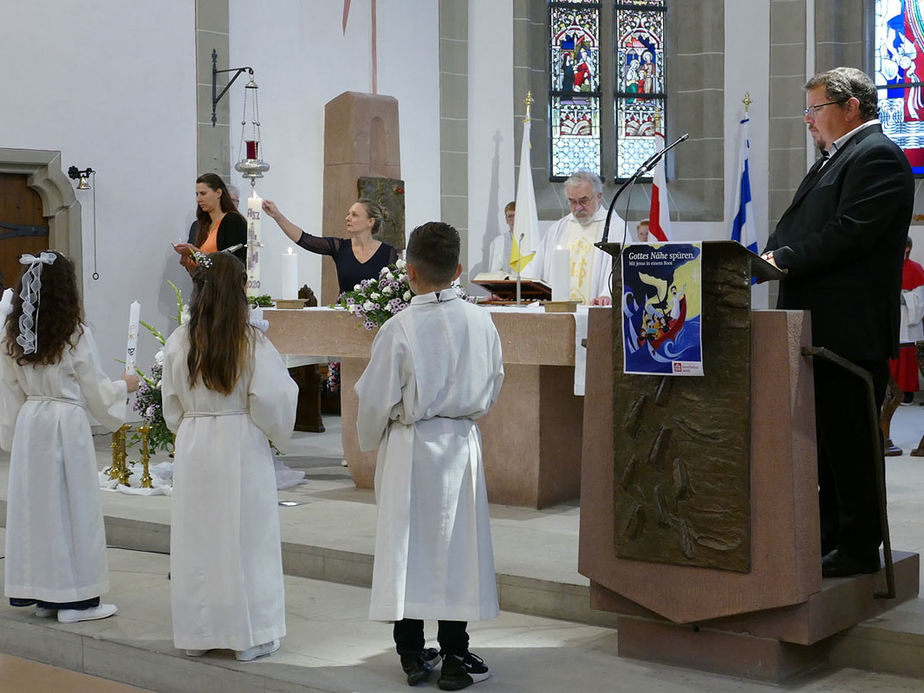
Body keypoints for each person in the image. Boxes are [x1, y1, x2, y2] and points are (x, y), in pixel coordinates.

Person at [760, 67, 914, 577]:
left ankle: (856, 547)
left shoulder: (878, 157)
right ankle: (828, 536)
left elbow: (850, 233)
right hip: (814, 326)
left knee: (850, 444)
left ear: (850, 107)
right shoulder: (838, 157)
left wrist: (782, 258)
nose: (808, 120)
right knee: (822, 444)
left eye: (815, 108)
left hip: (846, 329)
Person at [355, 222, 504, 690]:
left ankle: (413, 656)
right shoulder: (482, 321)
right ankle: (456, 657)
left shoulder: (398, 327)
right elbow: (494, 382)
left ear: (408, 271)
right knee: (457, 550)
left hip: (410, 444)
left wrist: (370, 437)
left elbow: (375, 399)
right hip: (460, 444)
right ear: (459, 270)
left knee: (408, 547)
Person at [162, 252, 298, 661]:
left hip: (195, 439)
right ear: (238, 291)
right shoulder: (250, 340)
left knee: (198, 538)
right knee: (246, 538)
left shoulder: (179, 340)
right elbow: (273, 399)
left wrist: (190, 427)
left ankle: (198, 632)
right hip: (239, 441)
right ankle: (250, 635)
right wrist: (273, 432)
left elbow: (171, 405)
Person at [0, 251, 139, 623]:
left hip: (32, 423)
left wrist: (15, 433)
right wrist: (123, 387)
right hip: (65, 423)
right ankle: (77, 602)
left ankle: (46, 596)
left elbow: (9, 389)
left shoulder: (13, 335)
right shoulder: (75, 334)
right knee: (73, 509)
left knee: (40, 511)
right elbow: (94, 389)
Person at [262, 198, 399, 295]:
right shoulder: (340, 247)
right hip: (342, 317)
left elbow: (394, 291)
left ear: (370, 222)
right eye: (348, 213)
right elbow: (304, 239)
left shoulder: (388, 253)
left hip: (374, 324)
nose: (347, 218)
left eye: (354, 215)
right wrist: (277, 216)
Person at [532, 170, 621, 305]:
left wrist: (607, 294)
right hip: (559, 314)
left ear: (598, 197)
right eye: (572, 202)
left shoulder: (615, 227)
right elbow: (534, 270)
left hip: (596, 311)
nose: (578, 207)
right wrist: (509, 293)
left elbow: (620, 270)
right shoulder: (557, 229)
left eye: (584, 201)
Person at [173, 173, 247, 274]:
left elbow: (233, 265)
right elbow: (200, 275)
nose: (198, 199)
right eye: (197, 194)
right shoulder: (201, 225)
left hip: (227, 288)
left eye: (203, 193)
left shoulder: (232, 221)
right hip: (206, 288)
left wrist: (196, 251)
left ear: (218, 193)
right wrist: (190, 264)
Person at [890, 237, 924, 402]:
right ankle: (891, 392)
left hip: (908, 319)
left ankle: (907, 393)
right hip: (893, 316)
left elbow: (920, 297)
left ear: (907, 248)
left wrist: (904, 298)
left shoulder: (916, 269)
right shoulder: (889, 266)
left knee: (907, 358)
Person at [487, 201, 515, 273]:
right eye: (510, 216)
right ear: (506, 220)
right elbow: (495, 271)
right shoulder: (499, 241)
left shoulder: (530, 242)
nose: (513, 220)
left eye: (515, 216)